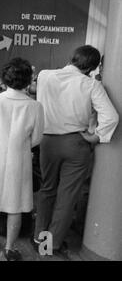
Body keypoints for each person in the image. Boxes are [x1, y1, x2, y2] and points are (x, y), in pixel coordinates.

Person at [34, 45, 119, 256]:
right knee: (67, 196)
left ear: (73, 57)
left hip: (48, 141)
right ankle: (50, 245)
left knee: (47, 189)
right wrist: (95, 136)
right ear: (93, 67)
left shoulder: (45, 76)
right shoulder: (91, 84)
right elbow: (111, 116)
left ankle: (38, 238)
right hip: (76, 143)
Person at [0, 58, 44, 261]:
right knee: (17, 203)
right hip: (18, 158)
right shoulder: (35, 106)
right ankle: (10, 247)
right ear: (28, 80)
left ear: (4, 79)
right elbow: (37, 138)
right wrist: (21, 146)